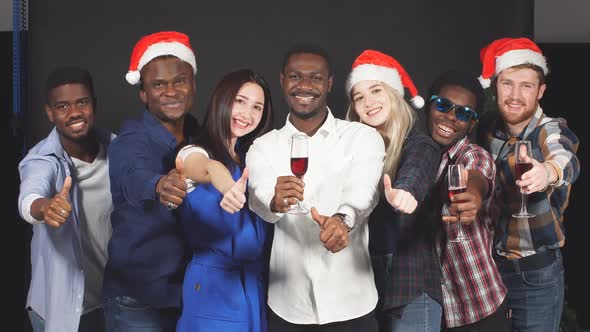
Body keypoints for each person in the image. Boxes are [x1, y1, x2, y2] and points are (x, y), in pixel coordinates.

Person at [246, 43, 385, 331]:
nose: (305, 85)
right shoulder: (263, 145)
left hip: (353, 303)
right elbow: (258, 195)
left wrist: (343, 220)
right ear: (283, 80)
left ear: (330, 83)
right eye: (296, 77)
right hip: (288, 306)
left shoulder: (362, 137)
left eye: (316, 77)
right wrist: (274, 200)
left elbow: (365, 190)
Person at [476, 37, 580, 332]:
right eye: (507, 83)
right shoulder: (487, 129)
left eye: (527, 86)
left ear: (541, 91)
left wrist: (547, 172)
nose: (515, 95)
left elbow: (565, 158)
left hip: (536, 276)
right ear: (496, 84)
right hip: (490, 272)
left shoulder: (550, 130)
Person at [102, 31, 199, 331]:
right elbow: (134, 176)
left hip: (186, 293)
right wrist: (159, 185)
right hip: (138, 299)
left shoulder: (200, 133)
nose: (171, 91)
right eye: (158, 84)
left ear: (193, 84)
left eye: (179, 81)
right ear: (143, 93)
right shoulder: (130, 140)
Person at [344, 49, 443, 332]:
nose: (368, 102)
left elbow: (418, 169)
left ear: (394, 94)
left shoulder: (418, 144)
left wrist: (405, 192)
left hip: (410, 283)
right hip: (365, 281)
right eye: (359, 96)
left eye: (376, 90)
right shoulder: (355, 151)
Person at [175, 69, 274, 331]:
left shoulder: (251, 158)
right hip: (213, 285)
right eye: (240, 101)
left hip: (253, 286)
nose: (247, 114)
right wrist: (228, 186)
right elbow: (206, 168)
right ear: (222, 100)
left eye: (257, 107)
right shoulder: (192, 152)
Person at [18, 66, 115, 332]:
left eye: (81, 102)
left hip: (113, 302)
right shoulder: (42, 159)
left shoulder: (117, 150)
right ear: (50, 113)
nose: (74, 113)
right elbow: (30, 194)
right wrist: (43, 207)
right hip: (63, 310)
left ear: (93, 104)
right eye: (62, 106)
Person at [426, 70, 510, 331]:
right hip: (438, 311)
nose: (451, 117)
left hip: (482, 309)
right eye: (443, 105)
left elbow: (478, 176)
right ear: (430, 106)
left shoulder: (474, 156)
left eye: (463, 113)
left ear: (472, 124)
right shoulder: (419, 155)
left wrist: (470, 196)